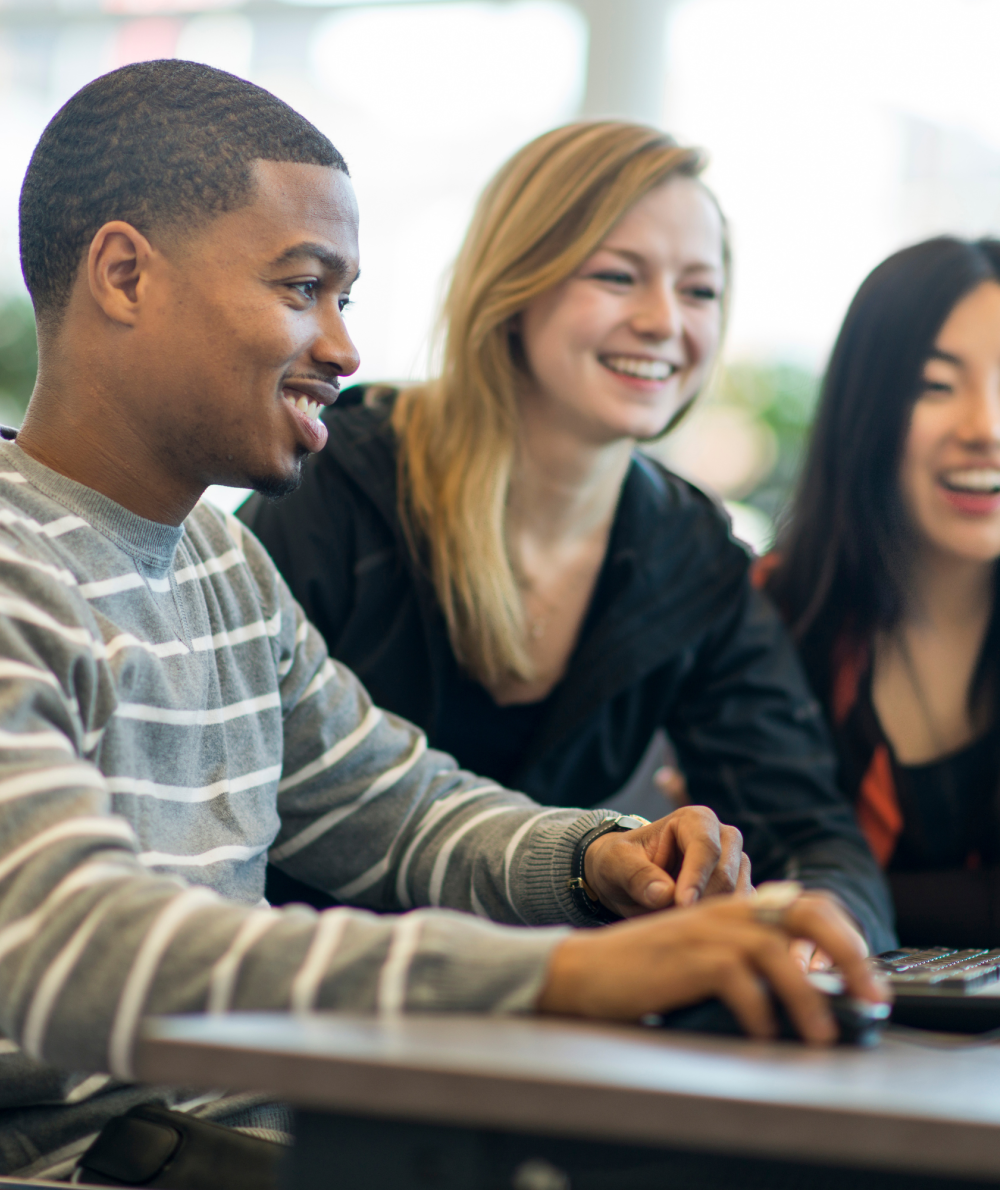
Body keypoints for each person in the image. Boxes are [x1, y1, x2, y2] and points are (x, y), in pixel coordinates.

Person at [0, 61, 883, 1183]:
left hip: (250, 1133)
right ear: (124, 274)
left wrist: (602, 858)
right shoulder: (16, 564)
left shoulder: (221, 560)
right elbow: (79, 948)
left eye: (346, 297)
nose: (343, 349)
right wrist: (565, 976)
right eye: (300, 287)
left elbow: (400, 809)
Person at [240, 121, 895, 954]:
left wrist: (815, 940)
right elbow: (230, 810)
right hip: (317, 1016)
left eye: (699, 292)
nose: (664, 322)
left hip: (553, 1027)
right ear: (517, 286)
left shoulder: (691, 554)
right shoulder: (339, 486)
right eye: (620, 276)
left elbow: (813, 836)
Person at [763, 236, 1000, 948]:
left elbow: (784, 896)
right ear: (866, 405)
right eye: (934, 384)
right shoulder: (767, 617)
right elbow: (749, 883)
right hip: (816, 1046)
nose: (985, 428)